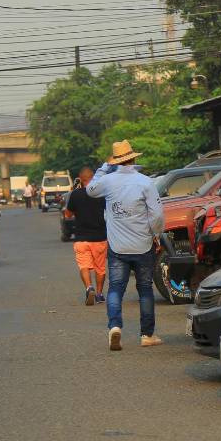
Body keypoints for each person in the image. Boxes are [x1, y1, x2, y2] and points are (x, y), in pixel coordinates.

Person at [86, 140, 164, 351]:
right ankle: (147, 335)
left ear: (115, 161)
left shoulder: (108, 181)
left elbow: (90, 190)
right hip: (143, 245)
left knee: (115, 289)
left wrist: (103, 167)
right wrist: (156, 234)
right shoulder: (146, 182)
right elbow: (156, 214)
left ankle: (115, 327)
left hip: (118, 247)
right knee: (145, 289)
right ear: (134, 157)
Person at [64, 167, 107, 306]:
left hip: (82, 238)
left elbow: (68, 215)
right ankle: (99, 294)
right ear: (93, 177)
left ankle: (89, 287)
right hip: (100, 237)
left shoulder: (75, 194)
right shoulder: (101, 194)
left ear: (80, 179)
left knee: (84, 266)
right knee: (100, 269)